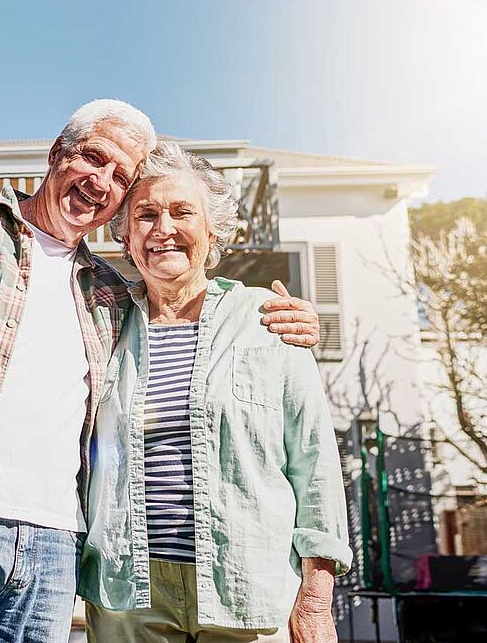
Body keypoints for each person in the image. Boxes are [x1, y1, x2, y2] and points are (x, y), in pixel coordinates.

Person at [0, 101, 321, 643]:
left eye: (120, 176)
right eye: (92, 157)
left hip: (57, 551)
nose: (101, 181)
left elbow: (201, 315)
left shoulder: (105, 292)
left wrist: (294, 321)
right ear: (56, 153)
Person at [80, 140, 351, 643]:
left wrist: (316, 597)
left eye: (183, 212)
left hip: (245, 581)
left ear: (212, 230)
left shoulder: (268, 320)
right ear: (123, 234)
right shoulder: (102, 321)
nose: (164, 230)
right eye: (145, 215)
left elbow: (315, 463)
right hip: (125, 590)